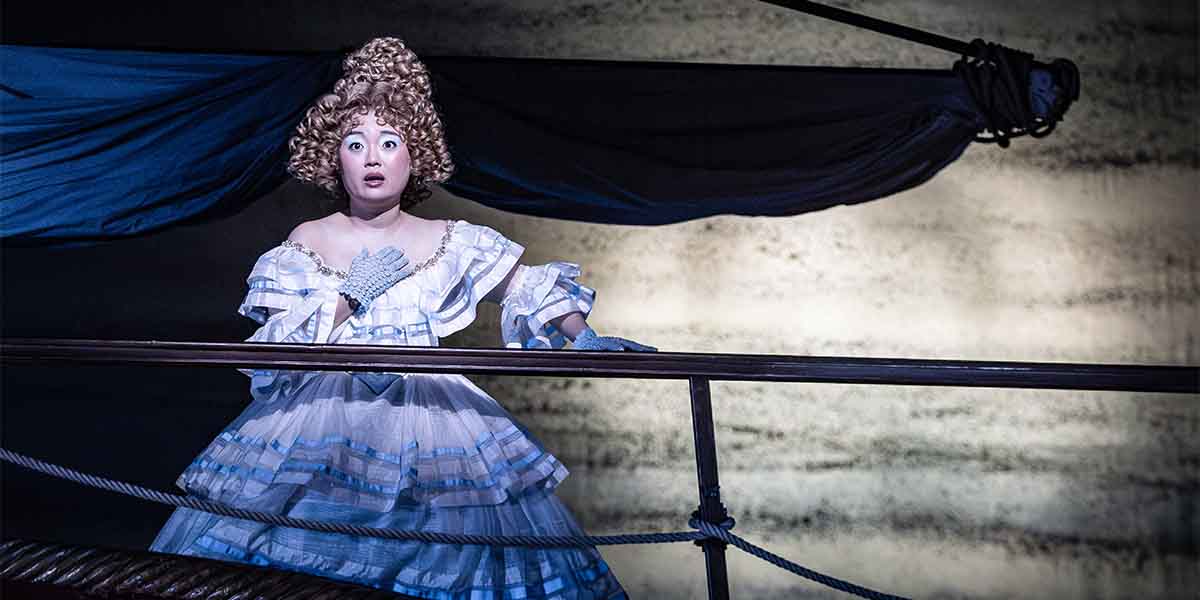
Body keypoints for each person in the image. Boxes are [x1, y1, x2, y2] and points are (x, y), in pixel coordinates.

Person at [149, 37, 654, 599]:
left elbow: (526, 284)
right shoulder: (308, 240)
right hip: (321, 417)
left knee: (452, 549)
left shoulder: (450, 240)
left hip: (433, 419)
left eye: (388, 143)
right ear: (334, 157)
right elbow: (273, 346)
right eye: (355, 143)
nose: (372, 158)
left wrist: (585, 338)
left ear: (413, 156)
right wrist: (350, 296)